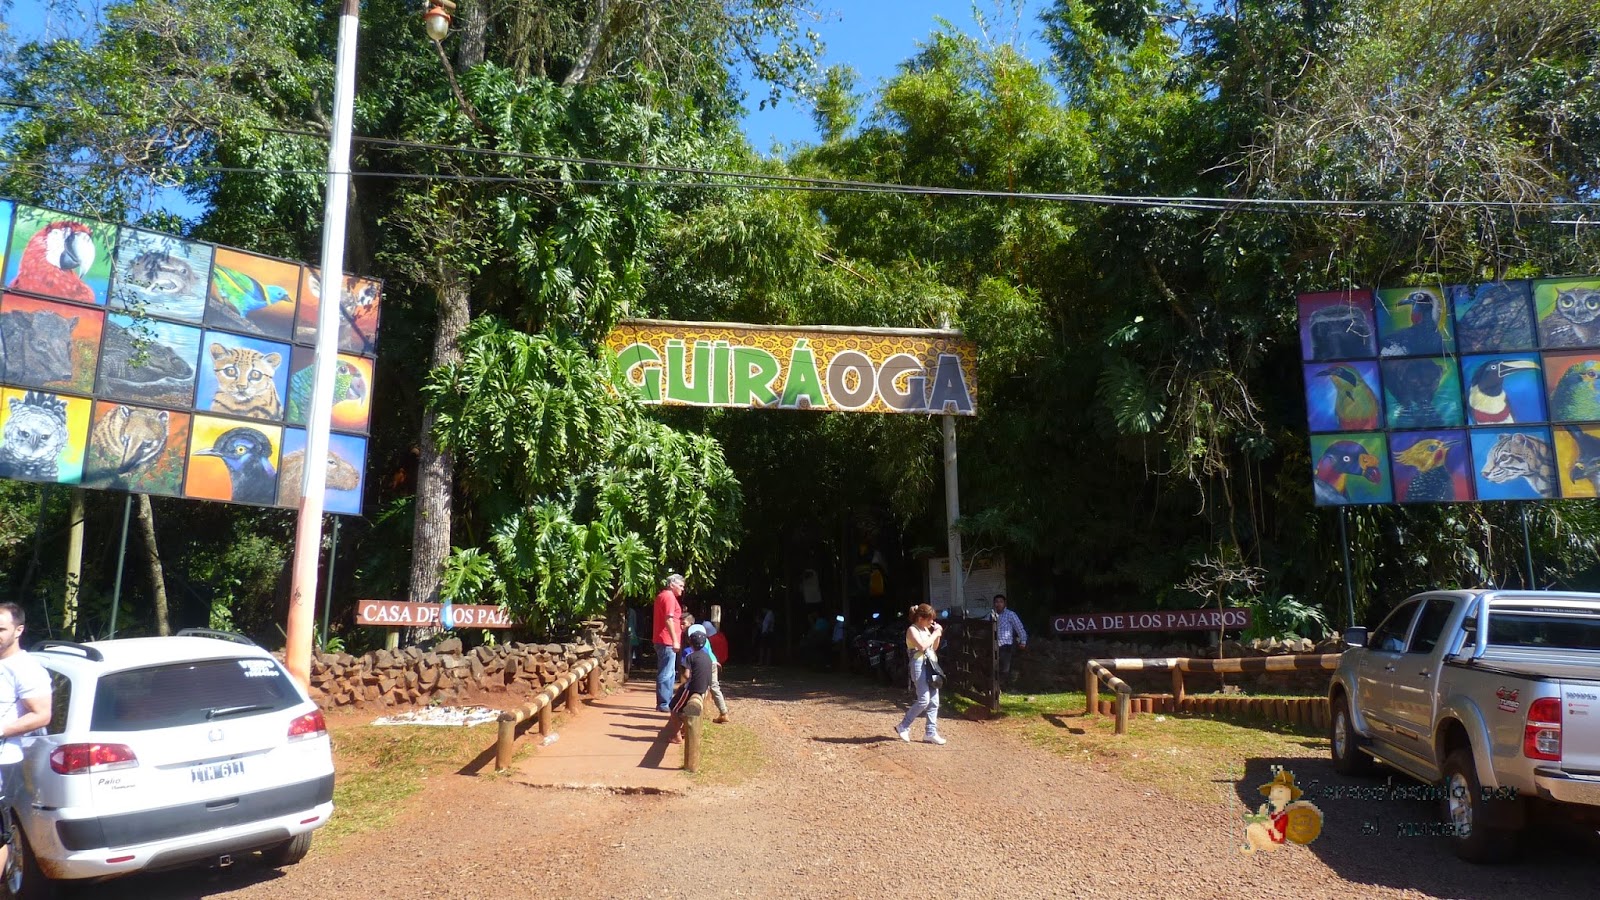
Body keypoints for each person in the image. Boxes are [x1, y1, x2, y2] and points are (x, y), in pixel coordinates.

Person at [0, 604, 51, 876]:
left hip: (3, 760)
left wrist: (1, 729)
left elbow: (42, 715)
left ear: (18, 630)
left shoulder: (26, 668)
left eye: (1, 629)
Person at [894, 604, 945, 745]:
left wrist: (937, 634)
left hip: (930, 665)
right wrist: (935, 633)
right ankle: (903, 726)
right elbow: (922, 647)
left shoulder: (926, 629)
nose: (931, 622)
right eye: (929, 620)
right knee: (924, 700)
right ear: (920, 618)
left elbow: (933, 647)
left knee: (934, 701)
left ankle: (930, 732)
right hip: (919, 665)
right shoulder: (912, 630)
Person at [666, 627, 714, 744]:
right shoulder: (708, 656)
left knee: (673, 708)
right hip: (704, 688)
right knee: (690, 711)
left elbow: (687, 675)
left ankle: (677, 736)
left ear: (690, 642)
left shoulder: (690, 656)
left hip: (692, 688)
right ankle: (686, 731)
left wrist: (688, 681)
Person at [681, 623, 729, 724]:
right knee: (714, 687)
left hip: (704, 664)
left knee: (697, 688)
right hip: (712, 662)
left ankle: (692, 716)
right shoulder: (705, 639)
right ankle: (723, 712)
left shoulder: (692, 647)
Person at [653, 574, 686, 712]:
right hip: (666, 640)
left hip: (664, 639)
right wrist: (675, 640)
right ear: (672, 584)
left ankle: (665, 702)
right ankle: (664, 704)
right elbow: (669, 619)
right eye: (681, 586)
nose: (682, 589)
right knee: (667, 672)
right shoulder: (669, 597)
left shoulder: (664, 596)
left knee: (669, 671)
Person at [993, 593, 1028, 689]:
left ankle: (1001, 688)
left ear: (1004, 603)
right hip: (994, 645)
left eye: (1000, 602)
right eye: (996, 602)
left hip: (1006, 645)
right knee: (994, 667)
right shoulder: (992, 615)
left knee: (1005, 668)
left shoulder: (1010, 614)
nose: (998, 604)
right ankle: (995, 688)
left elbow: (1019, 628)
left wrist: (1023, 641)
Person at [704, 623, 730, 724]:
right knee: (714, 687)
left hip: (710, 662)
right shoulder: (720, 636)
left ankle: (723, 712)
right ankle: (723, 712)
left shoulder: (711, 639)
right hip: (716, 661)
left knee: (709, 686)